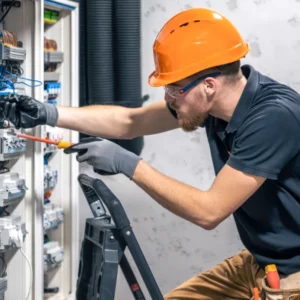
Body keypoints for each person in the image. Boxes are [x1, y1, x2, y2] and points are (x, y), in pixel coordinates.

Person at [1, 7, 300, 300]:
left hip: (294, 274)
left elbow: (209, 211)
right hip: (263, 260)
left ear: (209, 85)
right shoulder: (215, 102)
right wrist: (48, 113)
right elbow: (132, 121)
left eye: (174, 88)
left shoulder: (273, 117)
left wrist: (127, 163)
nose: (168, 97)